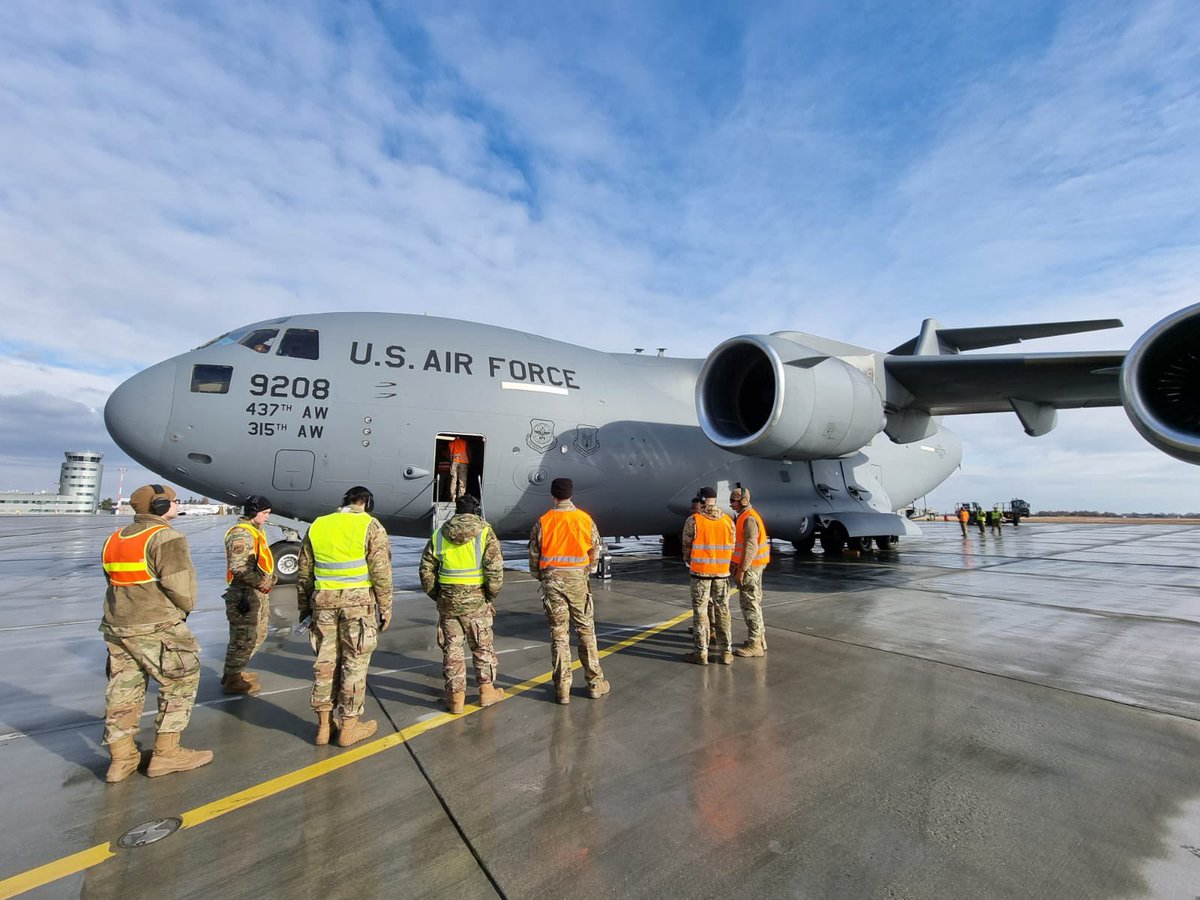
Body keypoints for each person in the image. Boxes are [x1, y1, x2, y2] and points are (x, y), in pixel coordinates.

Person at [99, 483, 212, 782]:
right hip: (157, 624)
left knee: (123, 690)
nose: (177, 505)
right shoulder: (166, 537)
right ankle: (166, 753)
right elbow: (180, 587)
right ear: (160, 507)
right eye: (173, 502)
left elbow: (112, 578)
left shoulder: (116, 538)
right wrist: (184, 610)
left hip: (118, 625)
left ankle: (120, 760)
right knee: (180, 681)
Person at [297, 486, 393, 747]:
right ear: (368, 503)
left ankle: (323, 727)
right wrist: (385, 607)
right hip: (357, 607)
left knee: (325, 664)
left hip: (322, 605)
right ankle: (349, 727)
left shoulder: (318, 525)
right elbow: (381, 572)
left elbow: (304, 572)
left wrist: (304, 609)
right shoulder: (371, 526)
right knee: (355, 664)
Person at [419, 494, 505, 714]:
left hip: (448, 602)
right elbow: (495, 571)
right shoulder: (485, 532)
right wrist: (490, 596)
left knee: (452, 650)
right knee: (482, 647)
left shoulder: (440, 534)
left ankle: (456, 700)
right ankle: (486, 692)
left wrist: (437, 594)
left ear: (456, 510)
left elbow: (426, 569)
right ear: (475, 511)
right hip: (476, 601)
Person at [529, 478, 609, 704]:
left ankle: (562, 687)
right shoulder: (584, 519)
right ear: (571, 495)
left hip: (552, 581)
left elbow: (534, 556)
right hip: (577, 581)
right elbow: (595, 549)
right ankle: (594, 683)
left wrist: (542, 576)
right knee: (585, 631)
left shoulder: (544, 521)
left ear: (553, 496)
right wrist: (588, 571)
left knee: (559, 635)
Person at [220, 494, 277, 696]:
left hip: (252, 593)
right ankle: (233, 678)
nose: (267, 517)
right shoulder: (242, 534)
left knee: (255, 635)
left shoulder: (254, 531)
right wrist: (261, 582)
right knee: (244, 639)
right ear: (254, 512)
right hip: (244, 595)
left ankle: (235, 672)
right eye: (265, 513)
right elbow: (238, 566)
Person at [682, 486, 735, 666]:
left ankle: (701, 653)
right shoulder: (728, 521)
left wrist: (690, 561)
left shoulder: (693, 521)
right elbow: (732, 546)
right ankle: (726, 652)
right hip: (722, 574)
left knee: (701, 613)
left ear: (702, 500)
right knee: (723, 611)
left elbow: (686, 548)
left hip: (700, 574)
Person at [730, 486, 770, 657]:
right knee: (754, 603)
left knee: (750, 605)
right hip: (754, 567)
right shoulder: (746, 517)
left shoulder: (749, 519)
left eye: (734, 500)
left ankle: (755, 645)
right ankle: (759, 639)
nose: (731, 504)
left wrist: (741, 569)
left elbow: (751, 546)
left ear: (743, 501)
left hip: (750, 569)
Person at [448, 435, 470, 499]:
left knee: (453, 479)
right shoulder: (465, 442)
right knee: (462, 480)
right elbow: (468, 452)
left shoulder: (451, 443)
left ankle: (452, 496)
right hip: (463, 462)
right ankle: (460, 497)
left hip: (454, 462)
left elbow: (450, 453)